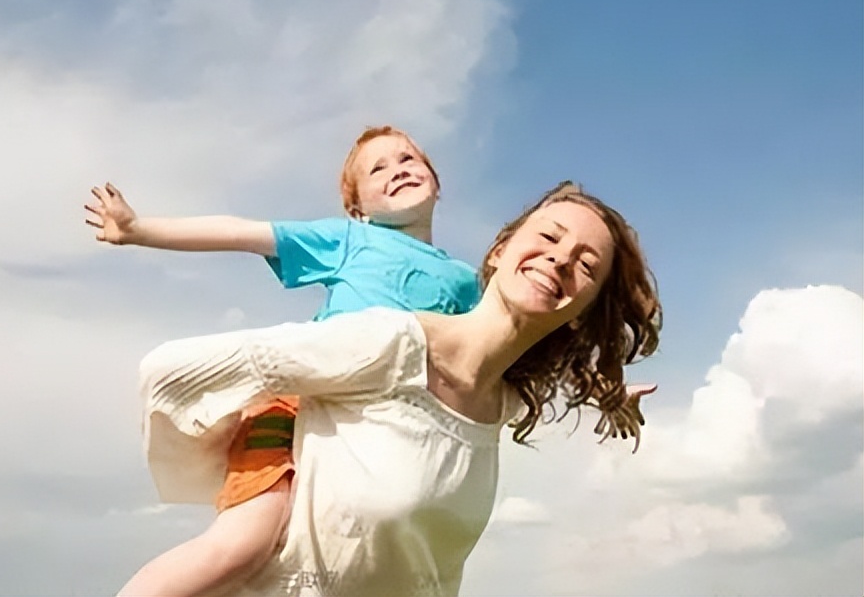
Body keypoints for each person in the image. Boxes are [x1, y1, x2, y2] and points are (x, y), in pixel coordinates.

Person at [136, 180, 662, 596]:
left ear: (582, 313)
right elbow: (174, 375)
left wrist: (609, 396)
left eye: (587, 264)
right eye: (548, 237)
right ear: (501, 252)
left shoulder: (501, 403)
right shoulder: (387, 342)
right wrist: (273, 448)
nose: (561, 258)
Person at [87, 126, 483, 596]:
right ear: (358, 210)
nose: (397, 170)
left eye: (408, 160)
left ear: (436, 182)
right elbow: (241, 232)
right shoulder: (350, 240)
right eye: (378, 169)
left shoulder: (464, 283)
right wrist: (138, 230)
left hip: (374, 435)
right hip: (293, 408)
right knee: (245, 544)